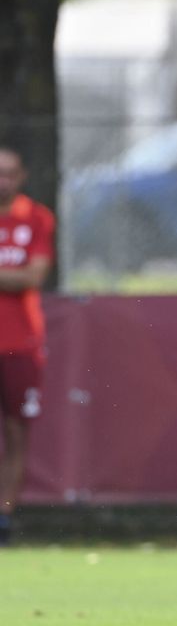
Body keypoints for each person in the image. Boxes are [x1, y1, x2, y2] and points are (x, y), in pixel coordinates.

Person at [0, 146, 55, 546]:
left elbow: (32, 277)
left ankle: (3, 516)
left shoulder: (36, 218)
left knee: (16, 432)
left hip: (19, 344)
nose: (3, 180)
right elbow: (16, 275)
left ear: (21, 177)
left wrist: (17, 276)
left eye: (9, 173)